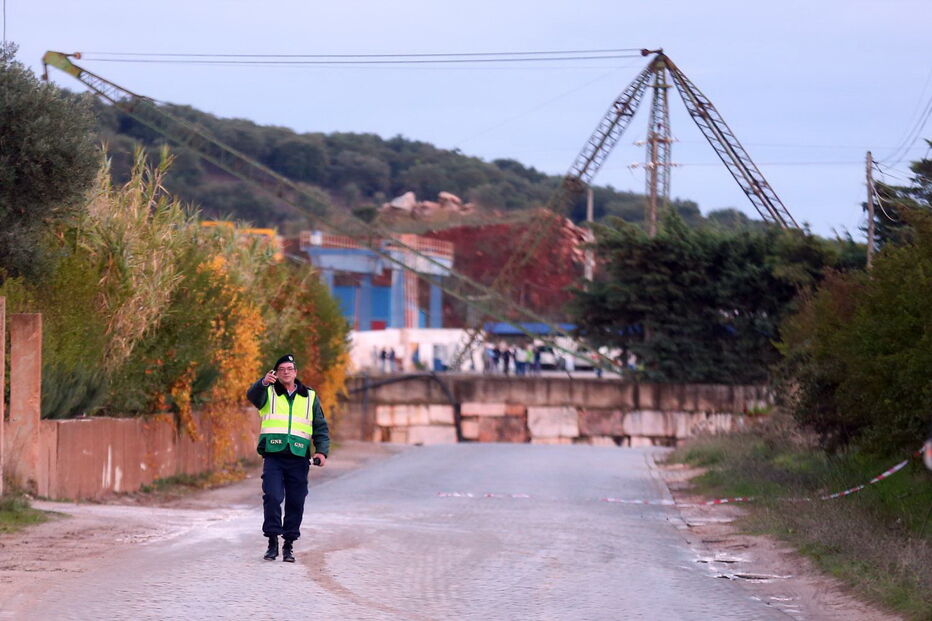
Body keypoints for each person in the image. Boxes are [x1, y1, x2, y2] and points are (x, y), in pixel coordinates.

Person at [246, 354, 330, 563]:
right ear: (276, 373)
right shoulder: (268, 393)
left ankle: (289, 544)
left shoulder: (309, 396)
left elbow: (320, 426)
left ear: (295, 372)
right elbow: (252, 396)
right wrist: (262, 383)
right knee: (273, 497)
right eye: (281, 369)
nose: (286, 372)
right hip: (274, 456)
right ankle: (272, 541)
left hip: (299, 457)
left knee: (296, 501)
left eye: (289, 368)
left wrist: (321, 451)